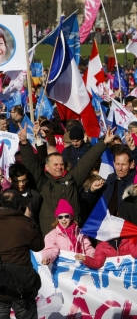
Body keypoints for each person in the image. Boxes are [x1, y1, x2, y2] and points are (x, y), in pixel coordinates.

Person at [19, 122, 116, 235]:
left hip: (74, 233)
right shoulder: (43, 182)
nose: (59, 167)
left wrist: (103, 143)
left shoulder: (72, 178)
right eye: (55, 165)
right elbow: (31, 164)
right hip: (51, 233)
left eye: (61, 164)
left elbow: (86, 162)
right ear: (47, 167)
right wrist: (24, 143)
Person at [0, 189, 44, 319]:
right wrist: (30, 219)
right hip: (21, 284)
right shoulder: (25, 223)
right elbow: (38, 245)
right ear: (19, 205)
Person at [40, 199, 94, 265]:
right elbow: (50, 249)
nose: (63, 219)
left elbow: (87, 248)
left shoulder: (81, 233)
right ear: (57, 219)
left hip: (81, 267)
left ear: (71, 217)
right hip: (65, 269)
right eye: (60, 217)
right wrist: (47, 257)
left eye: (66, 216)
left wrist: (93, 254)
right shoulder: (51, 235)